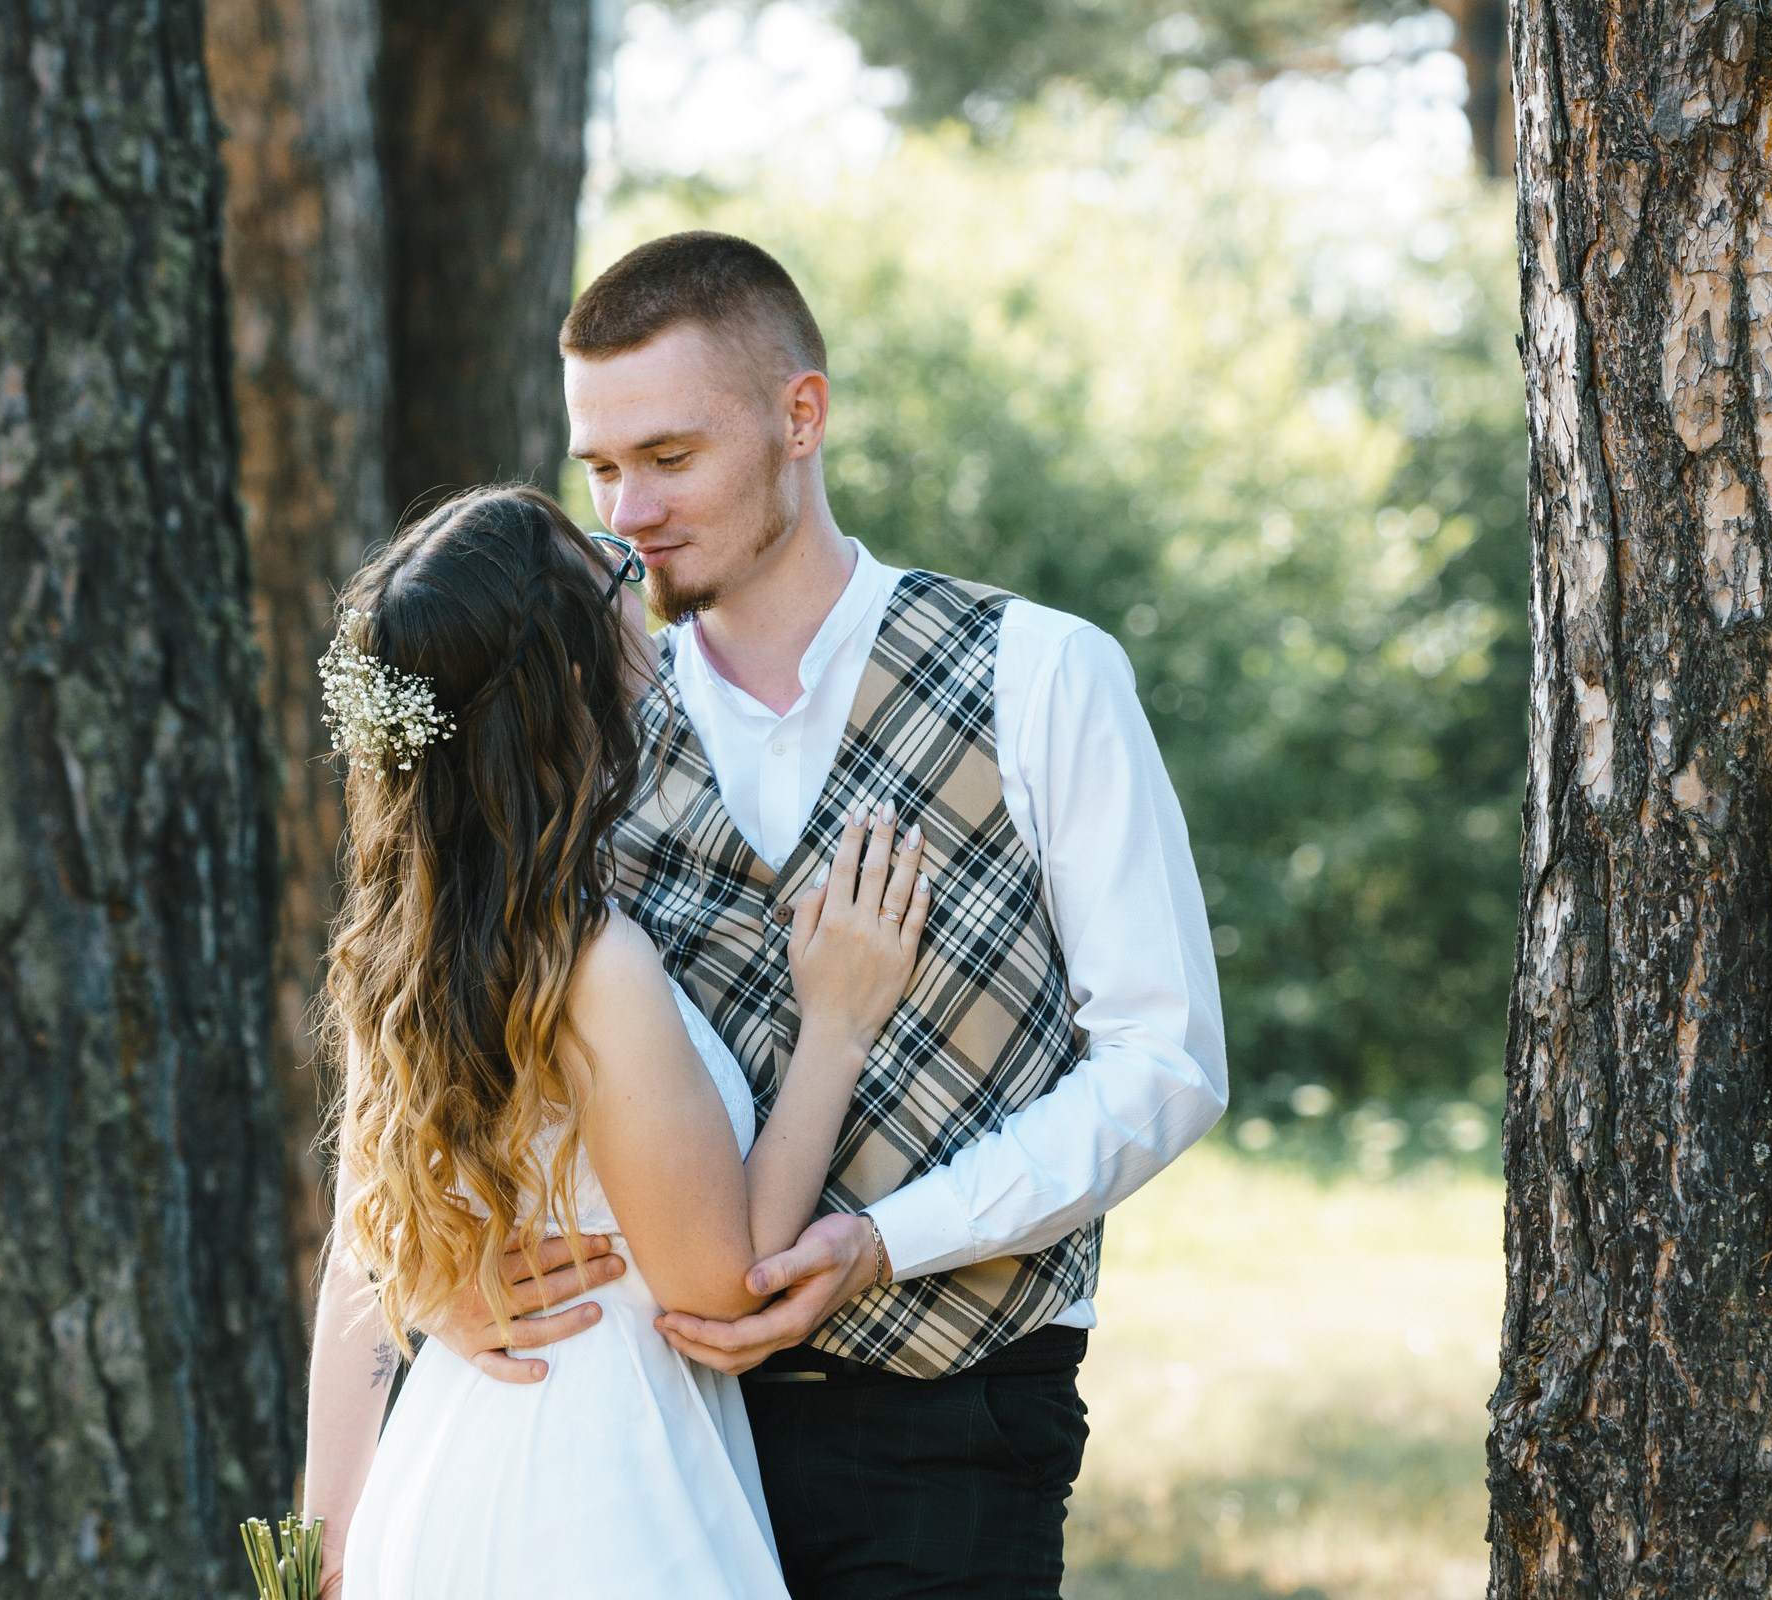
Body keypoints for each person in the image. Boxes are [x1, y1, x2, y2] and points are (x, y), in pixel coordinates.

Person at [417, 231, 1230, 1597]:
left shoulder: (1041, 675)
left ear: (802, 416)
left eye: (670, 458)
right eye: (600, 467)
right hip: (644, 1443)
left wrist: (882, 1244)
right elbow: (434, 1016)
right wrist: (427, 1278)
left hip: (949, 1420)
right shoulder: (578, 725)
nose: (625, 511)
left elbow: (1166, 1064)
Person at [296, 482, 939, 1598]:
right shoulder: (592, 962)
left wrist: (321, 1550)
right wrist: (835, 1028)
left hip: (436, 1483)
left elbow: (364, 1252)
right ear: (576, 673)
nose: (635, 574)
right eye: (608, 564)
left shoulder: (404, 949)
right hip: (597, 1499)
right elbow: (722, 1285)